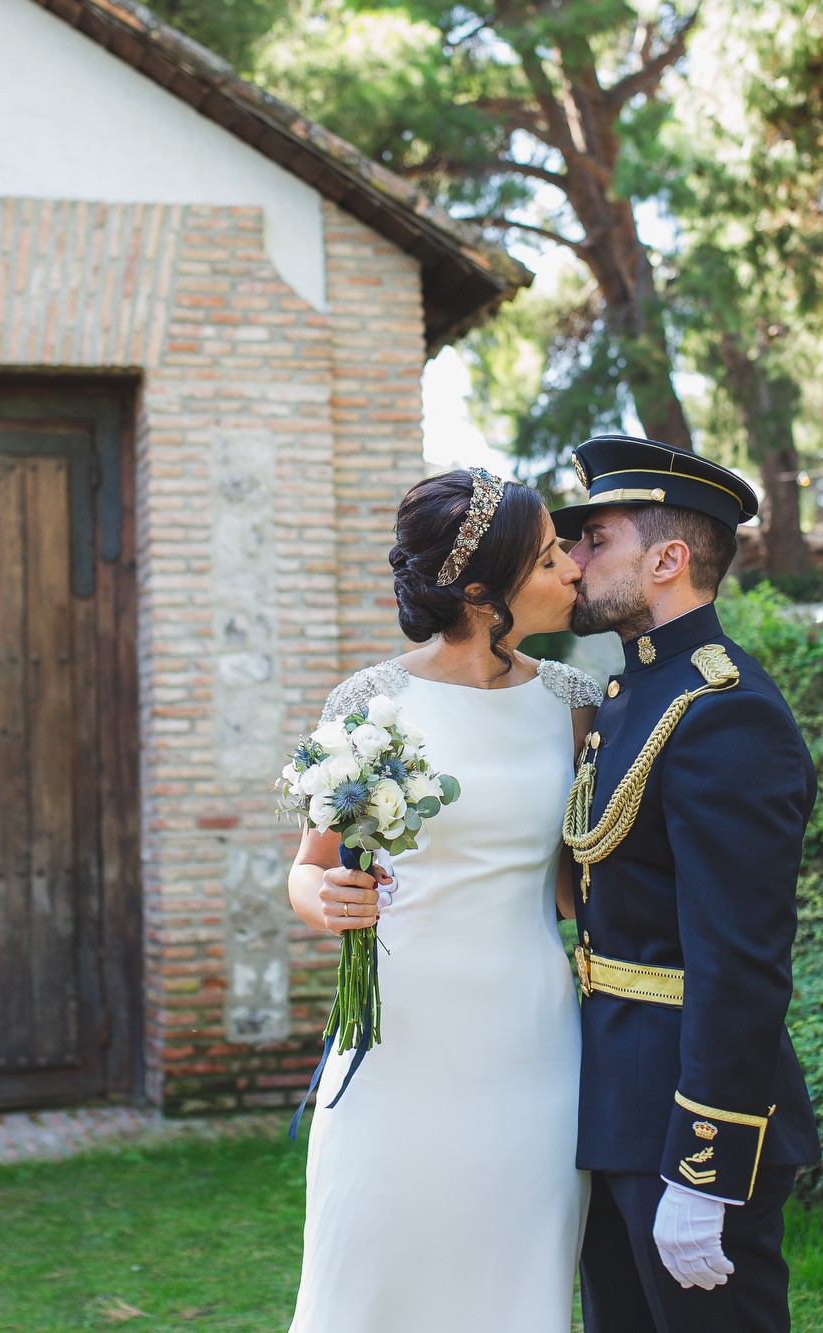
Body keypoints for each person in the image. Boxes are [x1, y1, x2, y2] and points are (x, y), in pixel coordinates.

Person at [287, 468, 602, 1333]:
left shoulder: (574, 704)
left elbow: (581, 885)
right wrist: (332, 901)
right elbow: (306, 870)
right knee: (374, 1279)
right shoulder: (372, 702)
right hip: (399, 1039)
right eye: (547, 560)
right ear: (480, 590)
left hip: (533, 1045)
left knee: (514, 1284)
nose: (574, 568)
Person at [554, 434, 820, 1333]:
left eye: (596, 540)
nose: (574, 560)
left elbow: (740, 961)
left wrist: (703, 1166)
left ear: (668, 559)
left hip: (688, 1120)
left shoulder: (724, 709)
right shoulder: (633, 697)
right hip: (617, 1101)